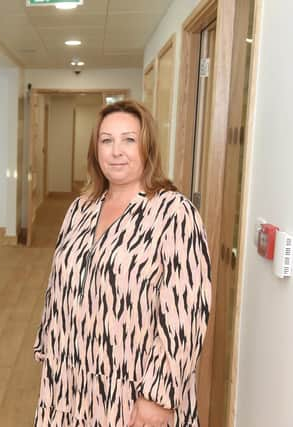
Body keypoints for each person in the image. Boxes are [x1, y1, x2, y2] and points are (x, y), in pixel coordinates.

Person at [33, 100, 211, 427]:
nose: (116, 151)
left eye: (129, 139)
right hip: (68, 383)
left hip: (132, 392)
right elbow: (57, 287)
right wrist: (49, 350)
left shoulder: (174, 213)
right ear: (95, 150)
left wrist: (159, 396)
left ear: (148, 147)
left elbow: (186, 315)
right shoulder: (80, 208)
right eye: (106, 140)